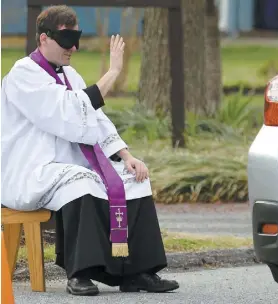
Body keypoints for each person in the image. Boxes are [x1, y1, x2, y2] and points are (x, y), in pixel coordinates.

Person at [1, 5, 179, 296]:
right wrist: (112, 73)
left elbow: (96, 119)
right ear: (44, 39)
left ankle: (138, 272)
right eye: (66, 39)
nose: (73, 47)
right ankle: (79, 274)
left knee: (135, 179)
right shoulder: (23, 74)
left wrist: (127, 156)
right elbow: (68, 113)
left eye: (76, 38)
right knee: (81, 182)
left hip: (65, 164)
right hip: (31, 170)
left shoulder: (71, 75)